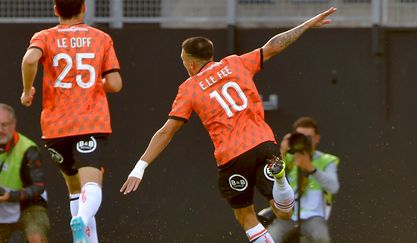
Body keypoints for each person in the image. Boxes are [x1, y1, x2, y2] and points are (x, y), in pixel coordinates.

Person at [121, 7, 337, 242]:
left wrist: (140, 167)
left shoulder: (189, 88)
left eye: (183, 60)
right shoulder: (236, 63)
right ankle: (280, 180)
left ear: (191, 64)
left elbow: (167, 132)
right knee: (283, 211)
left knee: (245, 215)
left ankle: (280, 183)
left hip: (233, 155)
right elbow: (273, 45)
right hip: (263, 143)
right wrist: (305, 26)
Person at [20, 0, 122, 242]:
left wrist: (27, 91)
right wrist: (99, 84)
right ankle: (82, 219)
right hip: (90, 122)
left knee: (75, 189)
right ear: (84, 8)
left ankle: (86, 237)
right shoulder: (101, 38)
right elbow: (116, 84)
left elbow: (29, 59)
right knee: (91, 186)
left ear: (55, 10)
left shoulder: (44, 36)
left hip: (56, 126)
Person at [267, 117, 340, 243]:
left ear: (317, 138)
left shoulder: (326, 160)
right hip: (287, 215)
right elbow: (268, 179)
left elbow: (333, 187)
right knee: (268, 239)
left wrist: (311, 168)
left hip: (313, 217)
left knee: (322, 239)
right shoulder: (287, 159)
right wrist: (282, 153)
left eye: (309, 138)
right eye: (301, 137)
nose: (305, 141)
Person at [0, 103, 50, 243]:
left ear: (14, 123)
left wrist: (11, 196)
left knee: (35, 236)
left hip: (28, 205)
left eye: (5, 125)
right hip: (2, 207)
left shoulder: (28, 149)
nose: (0, 130)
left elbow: (39, 186)